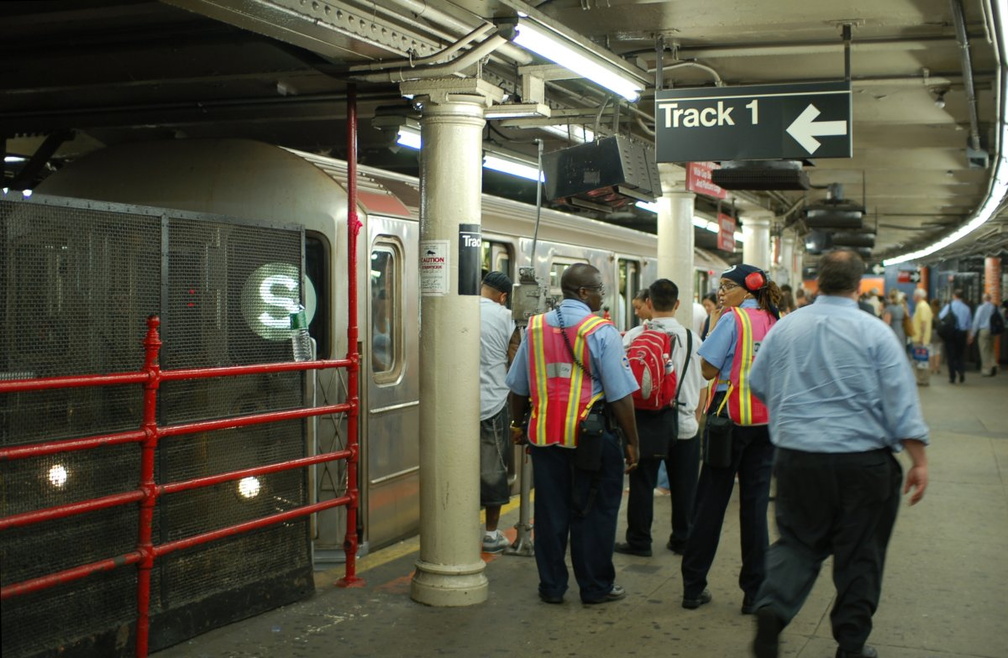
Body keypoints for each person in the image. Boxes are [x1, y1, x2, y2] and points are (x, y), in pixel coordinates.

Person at [748, 249, 929, 658]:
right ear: (857, 285)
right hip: (863, 463)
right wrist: (919, 460)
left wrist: (796, 408)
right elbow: (901, 403)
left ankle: (773, 607)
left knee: (796, 542)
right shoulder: (875, 332)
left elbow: (759, 383)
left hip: (798, 457)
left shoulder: (786, 328)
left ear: (818, 282)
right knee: (861, 552)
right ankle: (851, 645)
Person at [506, 263, 640, 605]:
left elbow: (518, 388)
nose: (602, 295)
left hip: (545, 437)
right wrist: (632, 441)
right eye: (599, 289)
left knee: (551, 513)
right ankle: (595, 587)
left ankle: (551, 587)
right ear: (583, 292)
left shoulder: (534, 328)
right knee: (594, 512)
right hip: (591, 439)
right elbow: (620, 394)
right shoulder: (600, 330)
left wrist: (519, 424)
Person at [680, 264, 780, 614]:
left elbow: (707, 368)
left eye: (727, 286)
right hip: (765, 424)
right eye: (720, 287)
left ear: (748, 290)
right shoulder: (775, 320)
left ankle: (693, 587)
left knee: (711, 503)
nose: (721, 293)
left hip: (728, 422)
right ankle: (754, 593)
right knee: (754, 509)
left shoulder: (733, 319)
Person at [615, 279, 706, 558]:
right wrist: (696, 417)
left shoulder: (632, 337)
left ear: (649, 303)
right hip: (685, 424)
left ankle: (640, 541)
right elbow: (703, 387)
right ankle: (682, 539)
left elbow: (624, 383)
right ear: (678, 304)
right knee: (685, 487)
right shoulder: (694, 339)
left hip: (646, 422)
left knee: (642, 484)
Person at [478, 272, 518, 553]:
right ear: (503, 296)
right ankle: (491, 534)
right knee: (493, 471)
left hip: (456, 404)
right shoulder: (506, 318)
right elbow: (516, 360)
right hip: (492, 402)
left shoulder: (458, 308)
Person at [938, 290, 972, 384]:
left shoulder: (949, 306)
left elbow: (941, 316)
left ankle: (952, 377)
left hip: (951, 333)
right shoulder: (967, 308)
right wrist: (970, 336)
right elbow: (969, 324)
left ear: (954, 296)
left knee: (950, 355)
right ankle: (961, 371)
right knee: (960, 354)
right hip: (962, 333)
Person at [969, 293, 999, 377]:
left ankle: (987, 370)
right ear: (990, 299)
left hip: (984, 331)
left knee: (984, 351)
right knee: (991, 349)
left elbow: (976, 321)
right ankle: (994, 365)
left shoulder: (981, 308)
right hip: (993, 331)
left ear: (983, 299)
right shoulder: (995, 308)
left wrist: (972, 334)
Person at [910, 288, 933, 386]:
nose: (913, 297)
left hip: (921, 338)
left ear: (918, 296)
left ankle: (923, 380)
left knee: (922, 360)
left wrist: (921, 337)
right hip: (920, 337)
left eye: (914, 295)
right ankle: (921, 379)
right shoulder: (922, 305)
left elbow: (923, 323)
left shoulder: (922, 306)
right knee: (920, 360)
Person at [928, 298, 944, 375]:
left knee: (931, 350)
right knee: (938, 350)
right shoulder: (941, 312)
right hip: (939, 332)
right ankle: (937, 367)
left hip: (931, 332)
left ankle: (932, 367)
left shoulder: (930, 312)